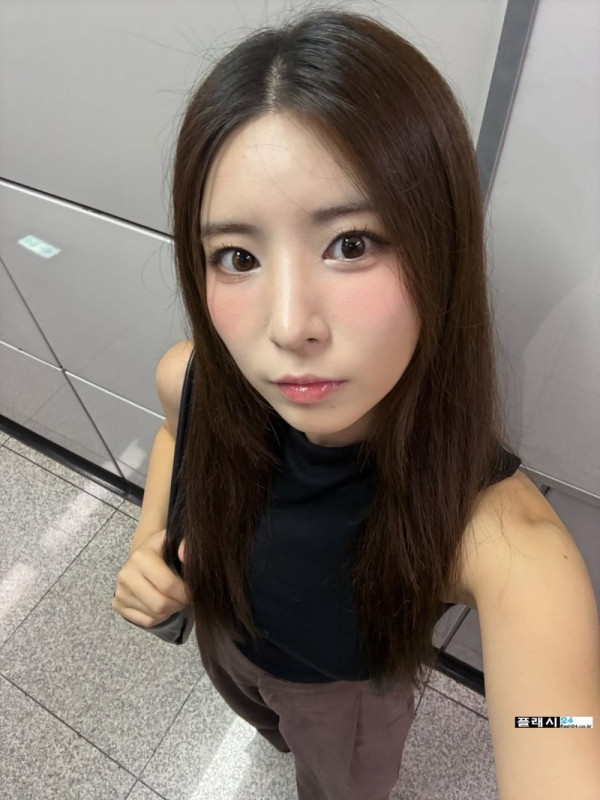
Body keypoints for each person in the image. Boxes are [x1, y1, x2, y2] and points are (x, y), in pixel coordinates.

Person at [112, 9, 600, 800]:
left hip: (342, 700)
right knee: (266, 724)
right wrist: (150, 539)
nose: (288, 326)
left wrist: (564, 728)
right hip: (227, 641)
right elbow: (177, 432)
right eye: (237, 256)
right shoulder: (194, 372)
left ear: (438, 247)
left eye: (351, 244)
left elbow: (560, 728)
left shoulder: (502, 539)